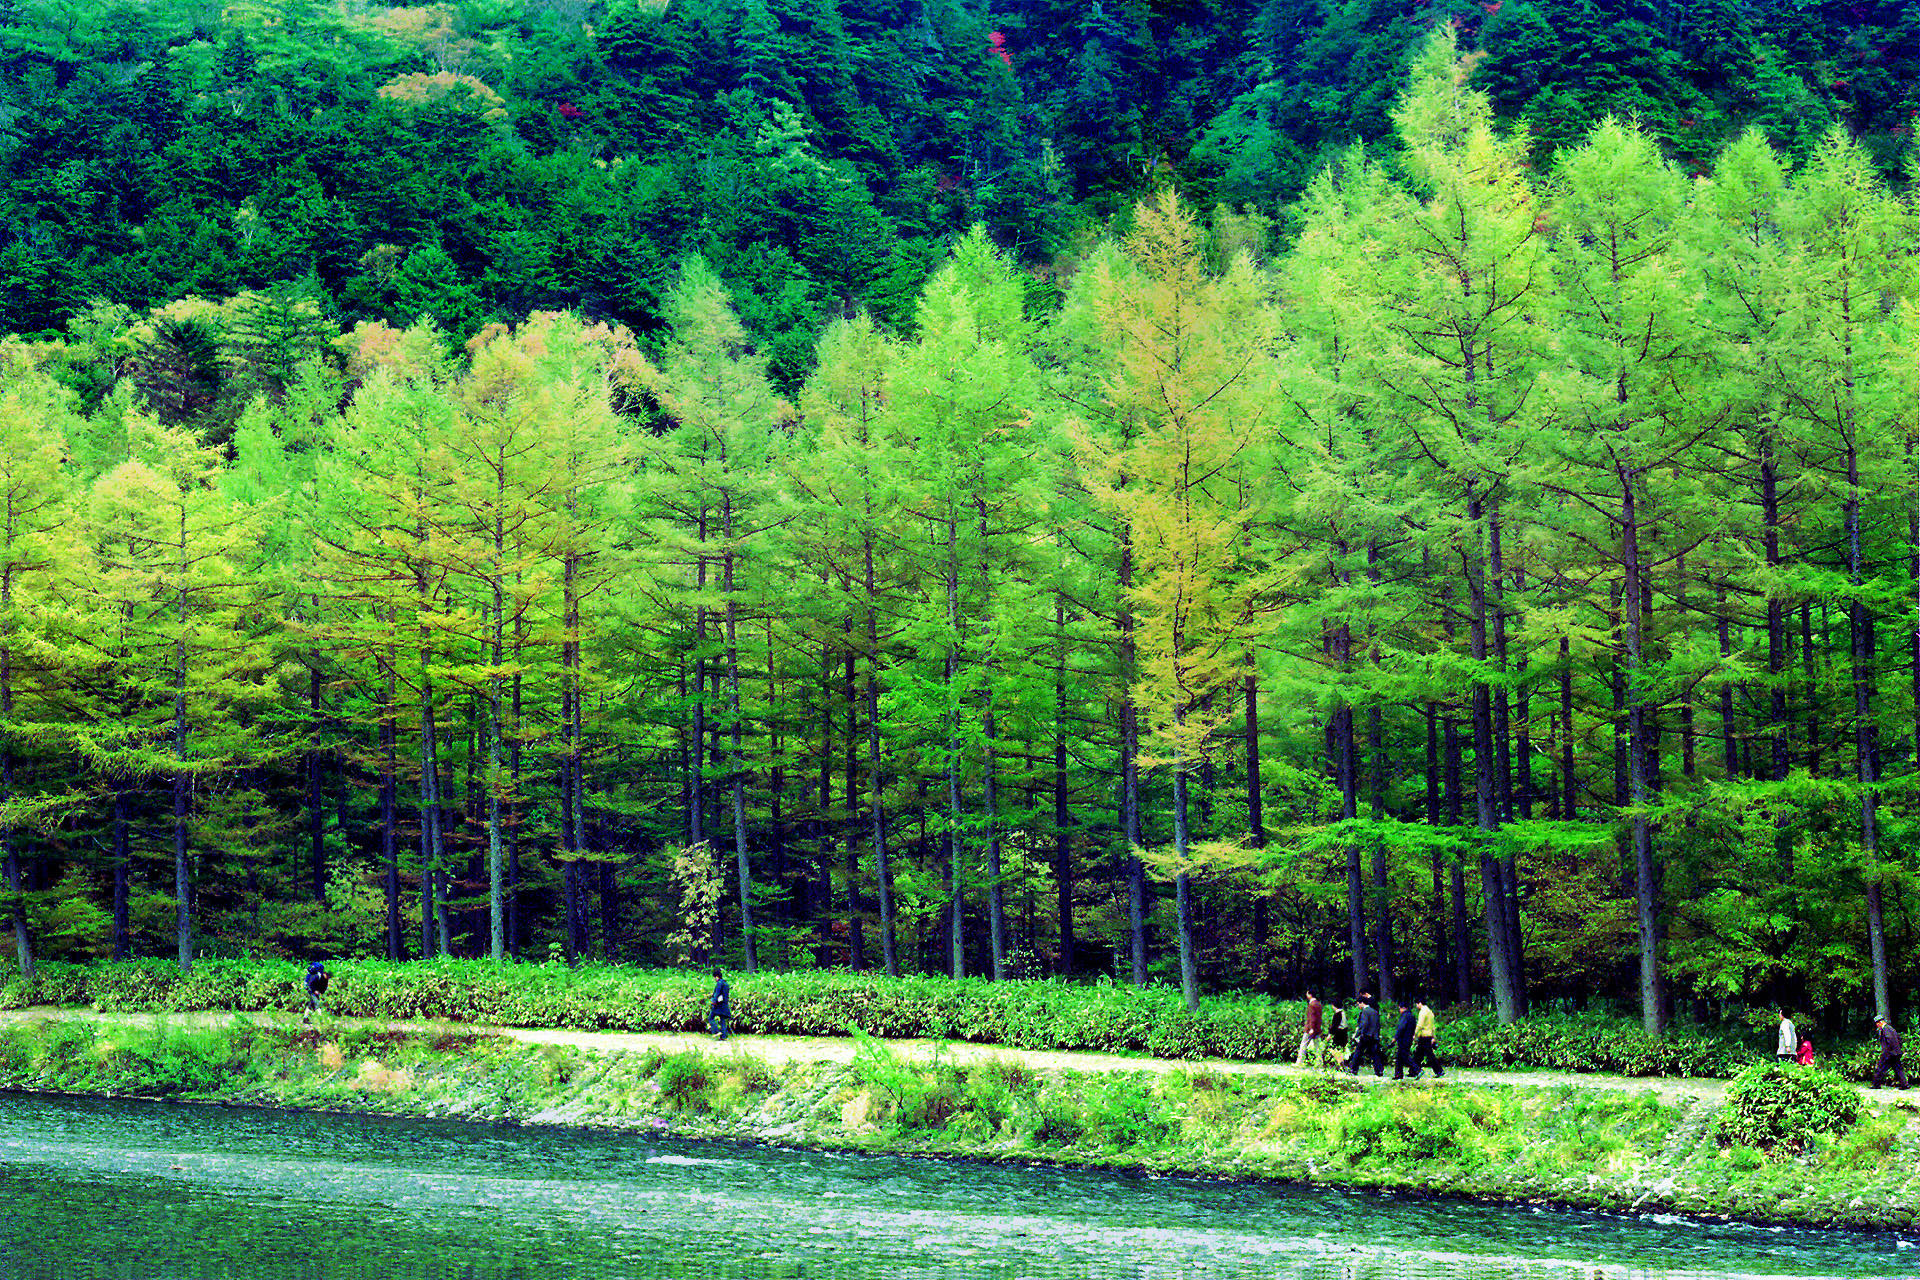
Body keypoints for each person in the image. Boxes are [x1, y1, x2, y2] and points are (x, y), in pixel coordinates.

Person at [1346, 992, 1383, 1077]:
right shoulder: (1375, 1011)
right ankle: (1379, 1071)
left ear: (1362, 1003)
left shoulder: (1365, 1012)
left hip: (1366, 1035)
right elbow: (1377, 1024)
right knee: (1375, 1053)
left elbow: (1364, 1024)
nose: (1358, 1006)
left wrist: (1358, 1034)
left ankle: (1353, 1069)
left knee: (1358, 1052)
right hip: (1374, 1035)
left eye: (1359, 1004)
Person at [1870, 1016, 1908, 1089]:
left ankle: (1876, 1085)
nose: (1877, 1025)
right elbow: (1899, 1039)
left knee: (1880, 1068)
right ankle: (1904, 1084)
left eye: (1877, 1023)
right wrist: (1898, 1050)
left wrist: (1887, 1052)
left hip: (1889, 1053)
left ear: (1880, 1022)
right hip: (1895, 1053)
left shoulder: (1886, 1029)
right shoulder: (1890, 1029)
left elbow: (1890, 1041)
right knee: (1898, 1069)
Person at [1410, 999, 1444, 1078]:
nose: (1416, 1006)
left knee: (1428, 1054)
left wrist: (1415, 1034)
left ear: (1420, 1003)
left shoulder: (1423, 1012)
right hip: (1428, 1035)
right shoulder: (1430, 1012)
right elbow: (1433, 1026)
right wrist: (1433, 1036)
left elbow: (1420, 1024)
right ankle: (1413, 1071)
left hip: (1424, 1035)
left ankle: (1439, 1070)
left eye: (1417, 1004)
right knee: (1419, 1053)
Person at [1296, 989, 1324, 1069]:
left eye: (1307, 993)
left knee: (1303, 1045)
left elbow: (1312, 1017)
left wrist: (1311, 1028)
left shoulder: (1312, 1004)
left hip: (1310, 1029)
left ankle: (1300, 1061)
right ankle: (1319, 1062)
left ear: (1310, 994)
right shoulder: (1319, 1004)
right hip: (1317, 1028)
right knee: (1317, 1046)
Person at [1391, 998, 1417, 1080]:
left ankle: (1417, 1070)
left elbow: (1401, 1028)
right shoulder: (1412, 1016)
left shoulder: (1404, 1016)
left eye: (1400, 1008)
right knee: (1399, 1057)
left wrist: (1395, 1037)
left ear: (1403, 1008)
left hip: (1403, 1039)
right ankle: (1398, 1074)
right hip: (1409, 1038)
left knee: (1404, 1056)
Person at [303, 959, 329, 1025]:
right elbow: (311, 984)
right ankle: (321, 1021)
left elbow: (320, 985)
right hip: (311, 990)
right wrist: (315, 990)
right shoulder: (317, 975)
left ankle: (305, 1018)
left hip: (311, 989)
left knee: (311, 1004)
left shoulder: (318, 975)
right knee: (317, 1003)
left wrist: (319, 991)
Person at [708, 968, 731, 1041]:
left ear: (716, 976)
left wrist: (713, 1001)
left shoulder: (719, 983)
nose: (714, 979)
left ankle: (716, 1031)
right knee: (722, 1020)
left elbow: (717, 993)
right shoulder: (726, 983)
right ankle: (724, 1036)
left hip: (718, 1005)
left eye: (714, 977)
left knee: (710, 1018)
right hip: (724, 1004)